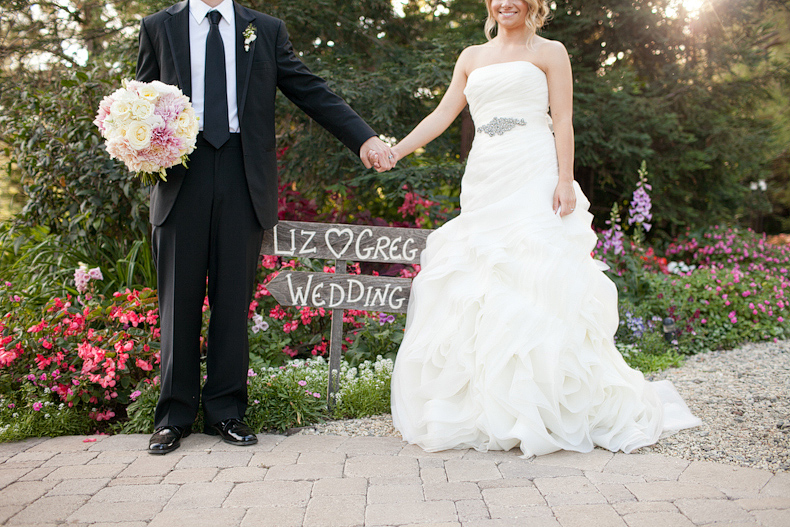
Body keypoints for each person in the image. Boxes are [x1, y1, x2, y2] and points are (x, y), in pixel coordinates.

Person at [389, 0, 701, 456]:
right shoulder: (471, 57)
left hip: (532, 170)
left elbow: (563, 119)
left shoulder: (551, 51)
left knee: (533, 276)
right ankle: (487, 408)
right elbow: (442, 115)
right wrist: (396, 151)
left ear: (532, 4)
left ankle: (544, 404)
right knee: (483, 280)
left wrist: (564, 179)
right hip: (486, 175)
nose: (505, 3)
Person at [136, 0, 395, 454]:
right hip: (181, 176)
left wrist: (364, 137)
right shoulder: (159, 27)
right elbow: (138, 103)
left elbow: (310, 90)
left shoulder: (266, 30)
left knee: (232, 301)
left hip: (243, 175)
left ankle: (227, 412)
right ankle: (173, 417)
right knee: (178, 301)